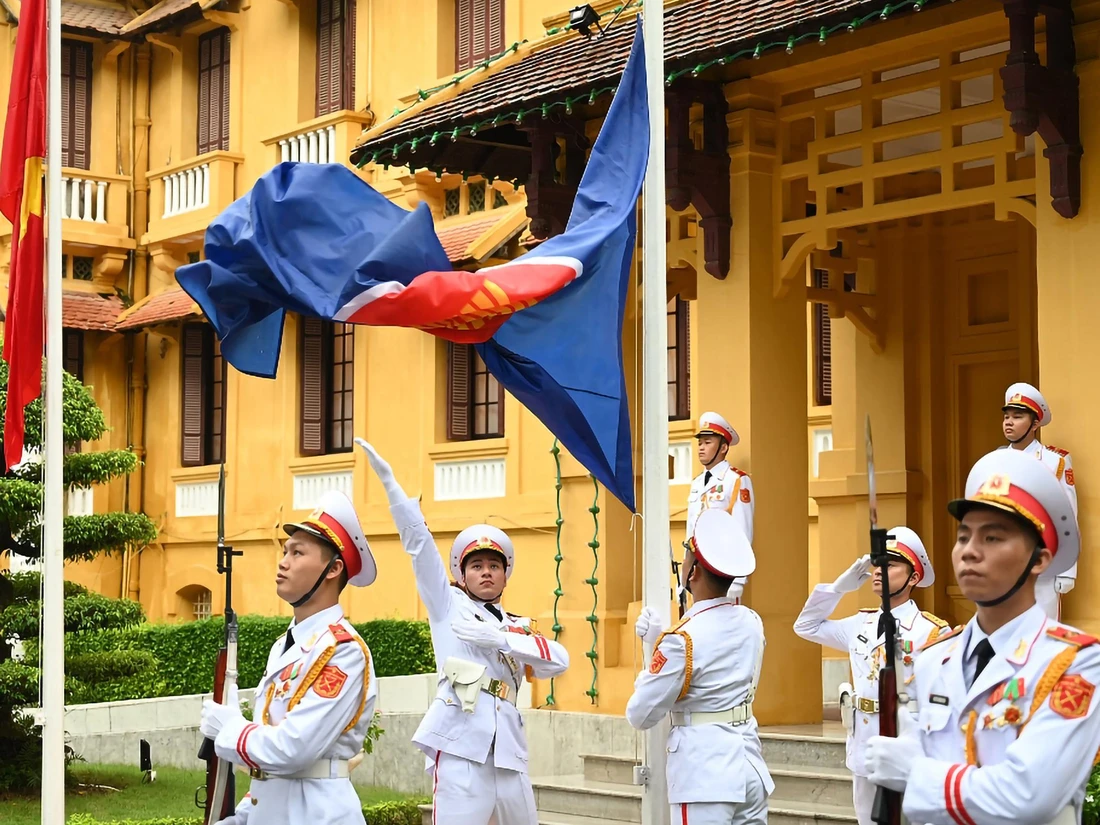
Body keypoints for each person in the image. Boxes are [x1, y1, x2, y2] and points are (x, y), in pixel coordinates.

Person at [866, 447, 1100, 825]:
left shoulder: (1077, 663)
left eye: (992, 538)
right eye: (963, 537)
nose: (969, 552)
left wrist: (915, 773)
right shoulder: (934, 660)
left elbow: (1029, 796)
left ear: (1039, 559)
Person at [356, 437, 568, 825]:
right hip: (460, 747)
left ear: (505, 575)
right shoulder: (447, 605)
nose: (486, 572)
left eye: (493, 565)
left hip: (508, 752)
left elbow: (560, 661)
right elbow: (419, 547)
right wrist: (393, 489)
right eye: (476, 566)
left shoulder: (516, 626)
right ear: (461, 574)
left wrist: (502, 639)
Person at [199, 490, 378, 825]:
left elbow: (293, 749)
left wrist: (231, 729)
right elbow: (271, 769)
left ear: (333, 568)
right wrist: (244, 817)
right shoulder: (285, 645)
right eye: (284, 551)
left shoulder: (343, 651)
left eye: (297, 552)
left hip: (318, 813)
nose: (283, 562)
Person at [626, 509, 774, 825]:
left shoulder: (682, 639)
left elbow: (640, 713)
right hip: (749, 765)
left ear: (693, 574)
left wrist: (654, 648)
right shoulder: (752, 622)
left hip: (705, 775)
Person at [793, 526, 947, 825]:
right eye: (877, 564)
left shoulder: (931, 632)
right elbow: (805, 626)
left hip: (907, 745)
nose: (878, 571)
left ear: (914, 577)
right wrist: (838, 588)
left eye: (890, 565)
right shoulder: (859, 624)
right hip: (863, 743)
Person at [1001, 381, 1078, 619]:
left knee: (1042, 636)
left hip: (1042, 563)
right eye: (1006, 417)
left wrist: (1067, 571)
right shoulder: (995, 461)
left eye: (1018, 416)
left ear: (1034, 424)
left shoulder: (1055, 462)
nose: (1009, 422)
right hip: (1003, 561)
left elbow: (1068, 516)